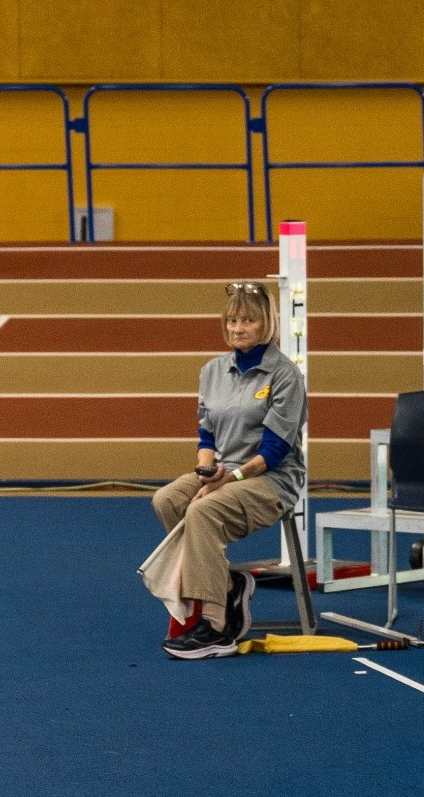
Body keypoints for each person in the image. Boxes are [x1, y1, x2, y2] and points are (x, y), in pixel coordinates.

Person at [152, 281, 309, 659]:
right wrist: (208, 474)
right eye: (232, 320)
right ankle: (226, 586)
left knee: (202, 511)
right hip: (224, 470)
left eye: (248, 321)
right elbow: (206, 434)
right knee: (167, 500)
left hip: (272, 479)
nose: (238, 328)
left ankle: (217, 627)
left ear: (267, 324)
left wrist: (229, 480)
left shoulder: (285, 376)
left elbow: (273, 451)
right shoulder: (212, 371)